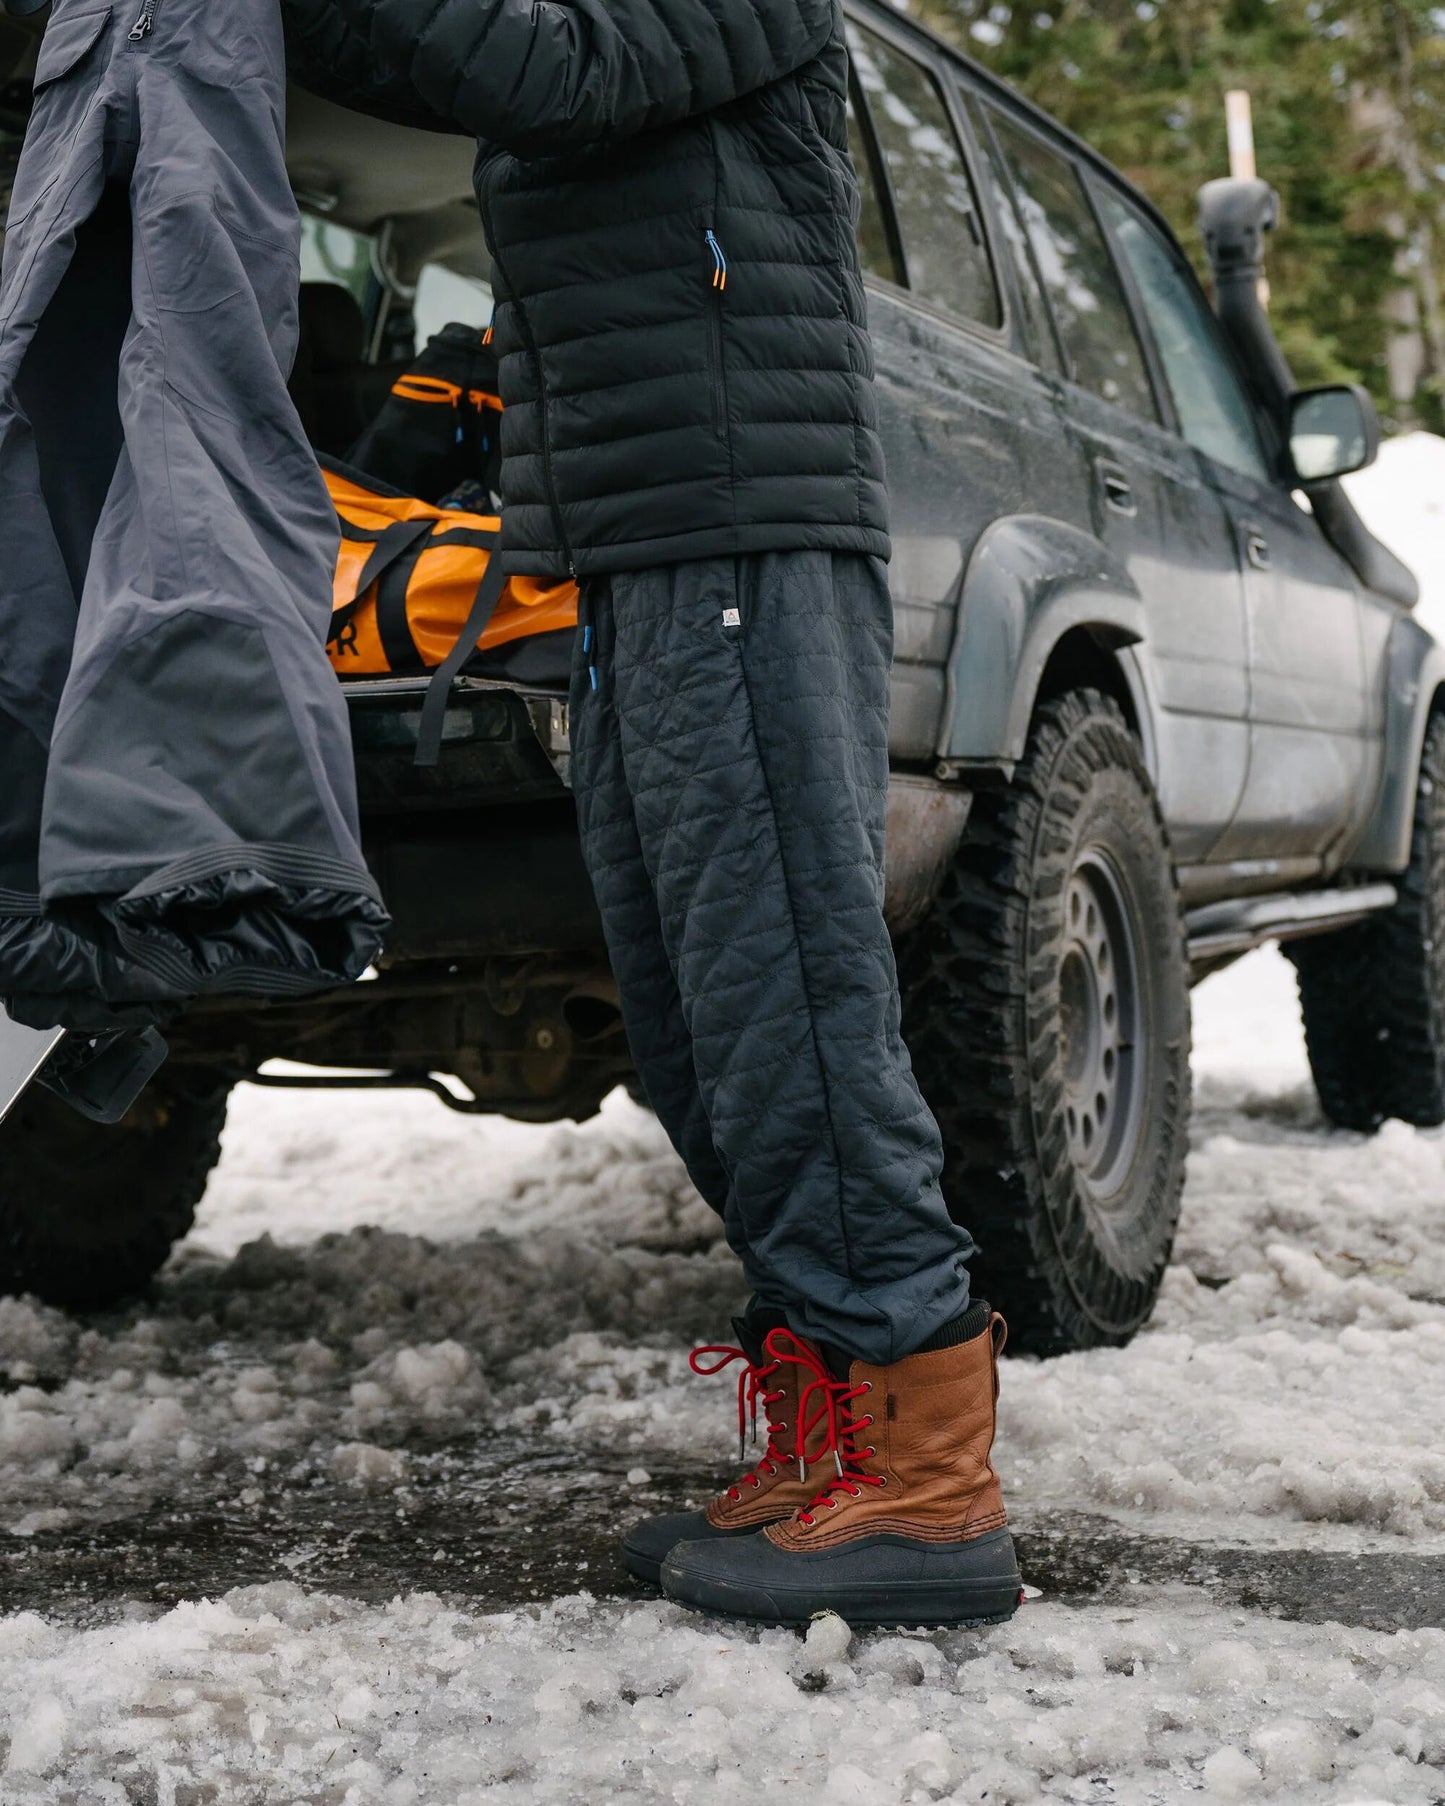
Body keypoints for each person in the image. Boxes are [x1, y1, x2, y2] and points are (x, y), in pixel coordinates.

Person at [283, 0, 1022, 1627]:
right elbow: (413, 56)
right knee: (695, 1024)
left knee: (782, 994)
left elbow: (534, 70)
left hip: (734, 523)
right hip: (626, 554)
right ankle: (830, 1412)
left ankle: (923, 1472)